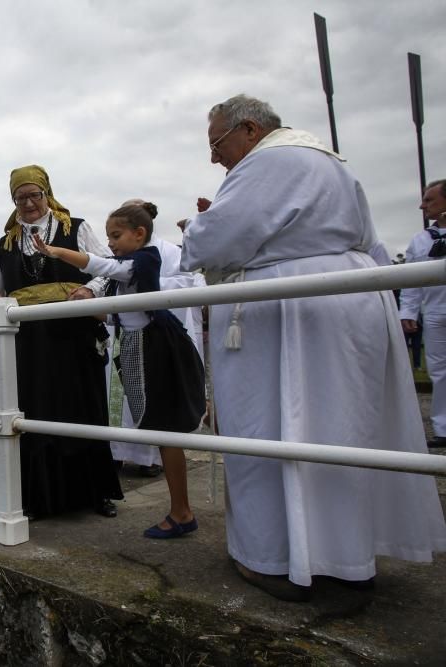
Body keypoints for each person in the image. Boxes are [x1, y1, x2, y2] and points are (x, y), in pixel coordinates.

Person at [180, 94, 446, 600]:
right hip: (348, 300)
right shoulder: (331, 164)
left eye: (217, 143)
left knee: (272, 428)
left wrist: (194, 229)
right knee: (343, 430)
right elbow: (366, 238)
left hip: (287, 308)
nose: (214, 157)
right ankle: (346, 556)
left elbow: (213, 242)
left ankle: (275, 558)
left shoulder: (268, 163)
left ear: (250, 129)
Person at [33, 203, 205, 538]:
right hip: (139, 348)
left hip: (156, 351)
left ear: (139, 234)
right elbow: (118, 314)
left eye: (115, 235)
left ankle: (182, 511)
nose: (110, 241)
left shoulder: (144, 260)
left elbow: (101, 266)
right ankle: (180, 509)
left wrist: (57, 251)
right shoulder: (128, 272)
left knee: (166, 430)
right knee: (161, 430)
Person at [0, 164, 122, 519]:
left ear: (46, 193)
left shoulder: (76, 228)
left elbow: (108, 266)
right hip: (31, 343)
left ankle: (94, 492)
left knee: (82, 406)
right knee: (34, 411)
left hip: (72, 335)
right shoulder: (6, 243)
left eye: (33, 195)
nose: (27, 204)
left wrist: (89, 289)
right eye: (19, 197)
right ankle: (38, 496)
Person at [108, 200, 206, 476]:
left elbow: (191, 282)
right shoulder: (118, 253)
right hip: (125, 333)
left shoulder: (169, 252)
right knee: (127, 398)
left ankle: (149, 458)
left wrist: (146, 286)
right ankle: (118, 451)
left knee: (155, 397)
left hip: (156, 337)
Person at [400, 179, 446, 448]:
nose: (422, 206)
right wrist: (408, 311)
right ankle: (443, 427)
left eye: (429, 200)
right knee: (439, 371)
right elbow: (411, 280)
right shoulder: (421, 240)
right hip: (435, 310)